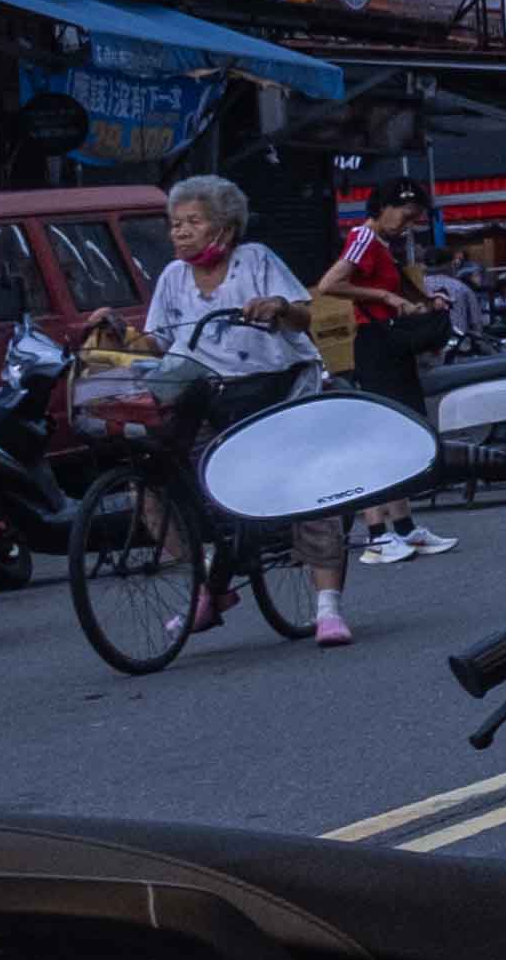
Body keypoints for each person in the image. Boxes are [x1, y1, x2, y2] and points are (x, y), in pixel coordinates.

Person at [128, 174, 356, 644]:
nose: (181, 232)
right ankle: (205, 580)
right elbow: (156, 342)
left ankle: (328, 606)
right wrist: (117, 334)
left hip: (275, 384)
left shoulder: (256, 260)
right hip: (209, 391)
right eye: (175, 224)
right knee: (155, 485)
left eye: (193, 221)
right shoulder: (172, 277)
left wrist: (275, 306)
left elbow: (302, 315)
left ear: (225, 230)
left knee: (304, 486)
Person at [310, 186, 450, 561]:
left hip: (389, 345)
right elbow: (330, 284)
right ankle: (375, 534)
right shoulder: (363, 237)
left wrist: (424, 301)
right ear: (384, 207)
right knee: (378, 437)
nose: (407, 225)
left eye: (413, 219)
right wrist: (387, 298)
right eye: (404, 216)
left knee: (398, 434)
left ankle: (404, 527)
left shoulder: (386, 245)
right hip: (375, 345)